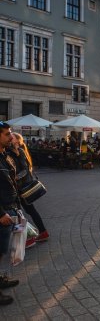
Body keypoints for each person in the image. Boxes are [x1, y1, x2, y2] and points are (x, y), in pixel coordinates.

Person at [9, 132, 49, 248]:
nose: (10, 138)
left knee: (18, 213)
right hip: (18, 188)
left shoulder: (20, 151)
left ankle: (28, 238)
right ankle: (42, 232)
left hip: (21, 189)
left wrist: (15, 178)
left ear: (17, 140)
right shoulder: (11, 151)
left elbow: (25, 170)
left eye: (12, 137)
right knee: (28, 211)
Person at [0, 122, 20, 306]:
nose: (10, 137)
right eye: (7, 134)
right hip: (2, 213)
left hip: (10, 207)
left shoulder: (5, 155)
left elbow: (12, 180)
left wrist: (18, 207)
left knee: (1, 251)